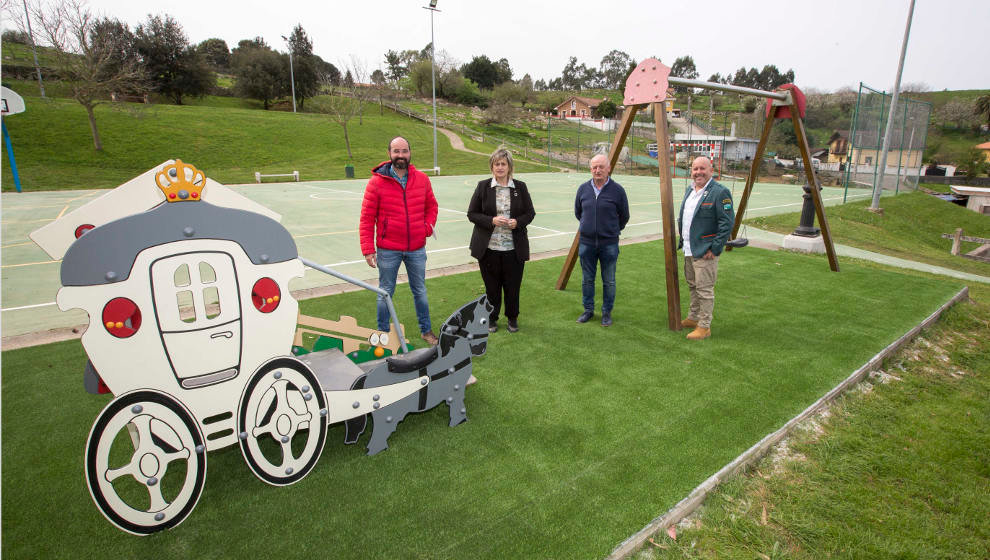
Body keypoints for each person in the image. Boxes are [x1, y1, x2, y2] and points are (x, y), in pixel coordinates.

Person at [359, 136, 440, 345]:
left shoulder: (422, 179)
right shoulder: (376, 183)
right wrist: (368, 249)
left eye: (404, 151)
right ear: (389, 154)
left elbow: (432, 206)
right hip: (388, 249)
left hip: (416, 248)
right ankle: (383, 335)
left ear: (410, 153)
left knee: (420, 291)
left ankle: (426, 330)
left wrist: (426, 228)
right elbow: (367, 218)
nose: (400, 155)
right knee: (385, 293)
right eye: (396, 151)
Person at [467, 148, 536, 333]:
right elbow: (472, 213)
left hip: (514, 249)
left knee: (512, 287)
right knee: (492, 288)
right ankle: (492, 318)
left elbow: (530, 213)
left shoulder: (520, 187)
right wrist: (491, 221)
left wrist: (517, 222)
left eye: (503, 164)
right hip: (488, 248)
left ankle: (512, 318)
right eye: (496, 164)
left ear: (509, 166)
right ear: (492, 166)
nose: (499, 167)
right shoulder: (483, 187)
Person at [677, 156, 734, 340]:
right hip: (689, 248)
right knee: (693, 286)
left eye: (702, 168)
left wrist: (715, 248)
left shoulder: (720, 192)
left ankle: (704, 326)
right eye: (695, 169)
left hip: (705, 251)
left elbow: (727, 223)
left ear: (711, 170)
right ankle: (693, 318)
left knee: (704, 289)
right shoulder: (690, 190)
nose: (698, 172)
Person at [574, 154, 629, 327]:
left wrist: (610, 231)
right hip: (586, 243)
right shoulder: (583, 189)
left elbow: (624, 216)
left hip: (609, 244)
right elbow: (578, 212)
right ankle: (588, 310)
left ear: (609, 168)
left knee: (609, 280)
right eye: (594, 167)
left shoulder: (618, 190)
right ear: (590, 169)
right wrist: (589, 228)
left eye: (601, 167)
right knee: (587, 279)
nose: (597, 170)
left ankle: (606, 312)